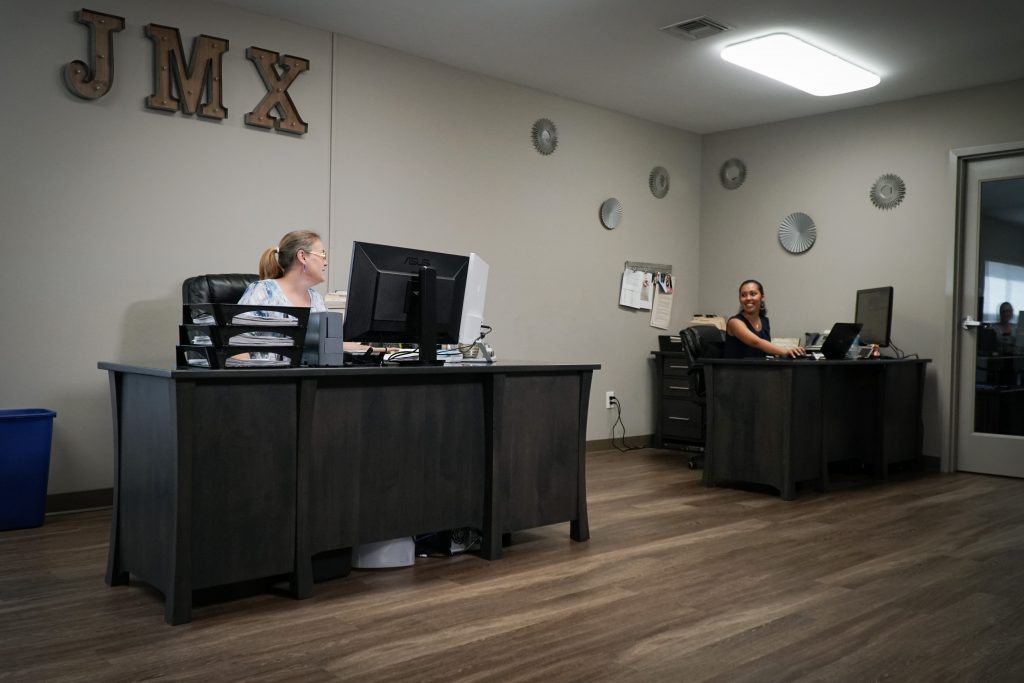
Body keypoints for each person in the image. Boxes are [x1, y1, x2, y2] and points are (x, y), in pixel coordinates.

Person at [238, 229, 328, 312]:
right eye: (322, 255)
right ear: (302, 257)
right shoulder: (264, 291)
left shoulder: (317, 300)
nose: (325, 263)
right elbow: (239, 328)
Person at [723, 279, 805, 359]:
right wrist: (786, 351)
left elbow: (763, 351)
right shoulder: (735, 322)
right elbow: (756, 342)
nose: (748, 298)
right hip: (737, 371)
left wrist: (789, 353)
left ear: (762, 297)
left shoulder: (764, 321)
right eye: (743, 295)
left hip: (760, 369)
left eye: (753, 294)